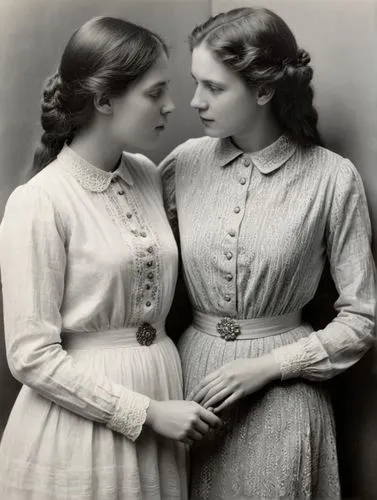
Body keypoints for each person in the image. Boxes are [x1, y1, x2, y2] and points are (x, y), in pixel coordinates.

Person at [0, 16, 221, 500]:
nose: (171, 105)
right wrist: (145, 412)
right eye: (155, 92)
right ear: (104, 100)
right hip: (83, 422)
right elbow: (29, 355)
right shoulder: (40, 201)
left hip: (164, 399)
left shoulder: (146, 174)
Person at [160, 7, 376, 499]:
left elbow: (362, 317)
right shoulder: (183, 165)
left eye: (214, 88)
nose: (195, 101)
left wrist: (271, 365)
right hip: (192, 389)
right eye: (196, 83)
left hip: (286, 397)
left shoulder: (331, 177)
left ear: (263, 90)